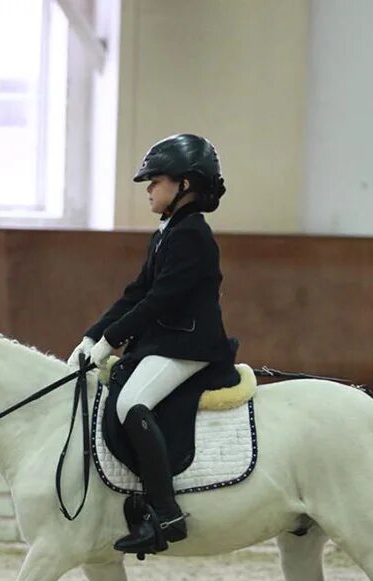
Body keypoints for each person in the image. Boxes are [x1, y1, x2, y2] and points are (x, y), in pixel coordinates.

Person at [67, 133, 236, 553]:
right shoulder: (168, 232)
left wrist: (109, 342)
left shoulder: (192, 234)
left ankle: (166, 513)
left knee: (129, 405)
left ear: (183, 185)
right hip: (164, 344)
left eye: (155, 180)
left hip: (190, 347)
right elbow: (136, 293)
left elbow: (161, 300)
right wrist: (91, 337)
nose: (148, 188)